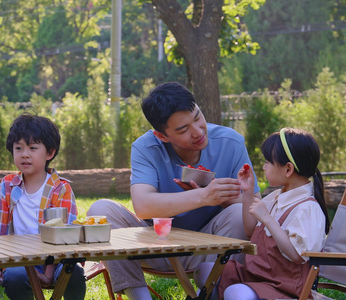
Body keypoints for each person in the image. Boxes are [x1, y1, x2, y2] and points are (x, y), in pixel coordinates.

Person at [86, 82, 260, 300]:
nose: (197, 132)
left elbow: (254, 205)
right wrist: (203, 196)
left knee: (239, 213)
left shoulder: (230, 142)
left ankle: (203, 294)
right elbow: (142, 207)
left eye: (197, 118)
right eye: (183, 130)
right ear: (162, 136)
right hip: (155, 246)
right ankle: (139, 296)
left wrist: (221, 198)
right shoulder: (146, 147)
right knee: (100, 210)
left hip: (210, 250)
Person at [207, 128, 330, 300]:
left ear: (288, 169)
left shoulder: (308, 209)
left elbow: (297, 255)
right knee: (206, 272)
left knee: (235, 293)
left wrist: (268, 219)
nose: (264, 167)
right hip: (256, 276)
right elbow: (250, 230)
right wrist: (248, 191)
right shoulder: (277, 197)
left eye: (267, 162)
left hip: (284, 287)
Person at [0, 112, 86, 300]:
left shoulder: (61, 188)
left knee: (74, 275)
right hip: (19, 260)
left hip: (57, 261)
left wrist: (48, 273)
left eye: (33, 148)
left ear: (50, 153)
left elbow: (66, 236)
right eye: (18, 148)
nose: (25, 154)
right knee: (15, 276)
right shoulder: (7, 186)